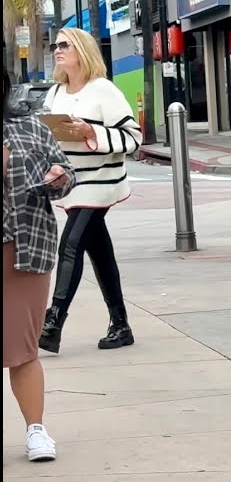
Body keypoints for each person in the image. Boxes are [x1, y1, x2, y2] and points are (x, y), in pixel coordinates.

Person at [38, 28, 142, 354]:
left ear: (82, 50)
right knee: (99, 251)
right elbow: (47, 140)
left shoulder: (103, 91)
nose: (58, 50)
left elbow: (133, 137)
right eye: (56, 45)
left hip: (100, 182)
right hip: (72, 183)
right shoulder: (55, 93)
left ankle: (53, 321)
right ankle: (121, 324)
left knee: (70, 244)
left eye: (65, 45)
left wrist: (90, 131)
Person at [4, 63, 75, 461]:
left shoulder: (30, 127)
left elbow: (67, 173)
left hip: (25, 247)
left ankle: (36, 431)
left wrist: (59, 176)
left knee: (23, 346)